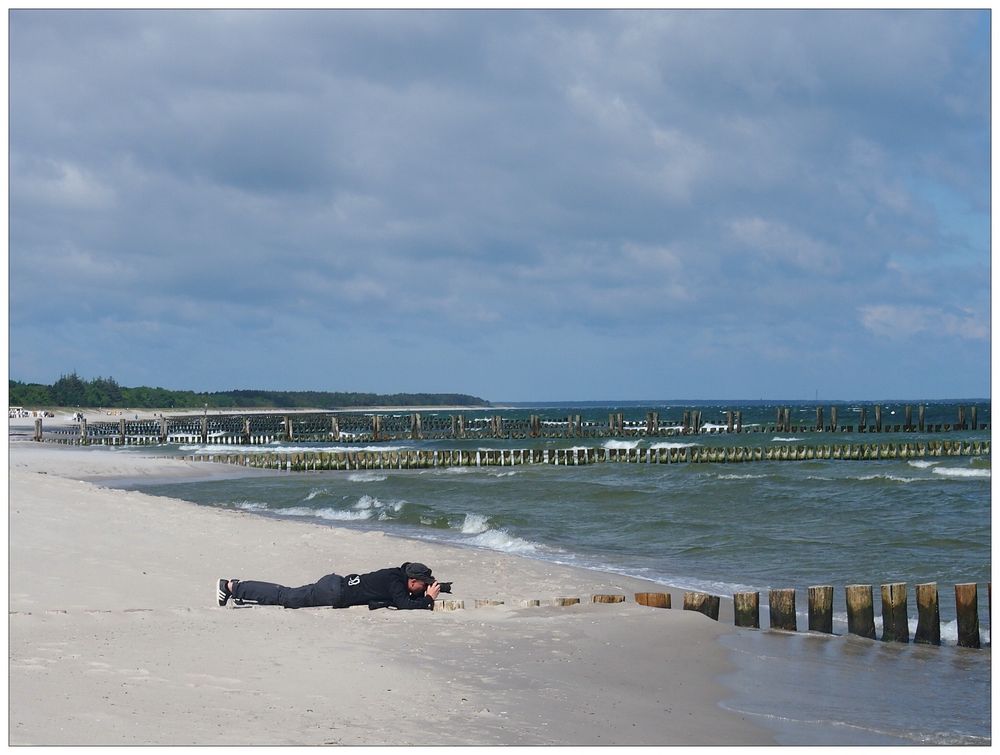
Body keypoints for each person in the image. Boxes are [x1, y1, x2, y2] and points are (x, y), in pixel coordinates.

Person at [216, 561, 442, 610]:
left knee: (287, 593)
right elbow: (403, 602)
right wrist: (429, 600)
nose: (425, 589)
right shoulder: (395, 582)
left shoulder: (395, 575)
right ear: (412, 581)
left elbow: (404, 597)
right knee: (285, 596)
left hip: (335, 585)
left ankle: (237, 588)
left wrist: (437, 589)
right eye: (424, 586)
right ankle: (231, 587)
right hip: (334, 592)